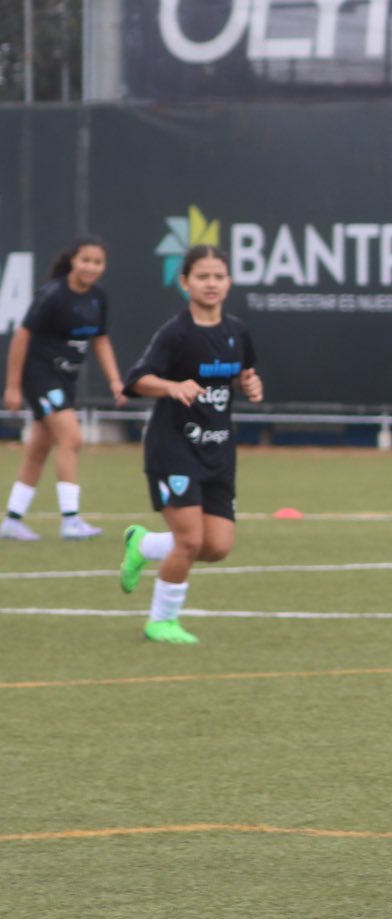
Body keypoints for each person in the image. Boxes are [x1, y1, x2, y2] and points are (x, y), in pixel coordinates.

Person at [117, 244, 262, 645]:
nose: (211, 283)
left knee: (217, 546)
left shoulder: (237, 332)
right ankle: (160, 621)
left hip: (218, 449)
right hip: (173, 446)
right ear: (185, 283)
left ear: (228, 282)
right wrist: (170, 385)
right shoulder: (176, 333)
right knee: (190, 540)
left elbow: (244, 373)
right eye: (202, 276)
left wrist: (249, 383)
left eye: (218, 276)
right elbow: (135, 381)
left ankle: (143, 544)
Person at [3, 236, 124, 541]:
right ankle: (70, 520)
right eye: (86, 260)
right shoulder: (53, 295)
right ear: (73, 260)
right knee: (72, 437)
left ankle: (12, 520)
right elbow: (22, 337)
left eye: (97, 262)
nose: (91, 267)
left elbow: (100, 339)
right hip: (40, 375)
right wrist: (13, 386)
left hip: (65, 379)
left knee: (40, 447)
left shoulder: (99, 297)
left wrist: (115, 381)